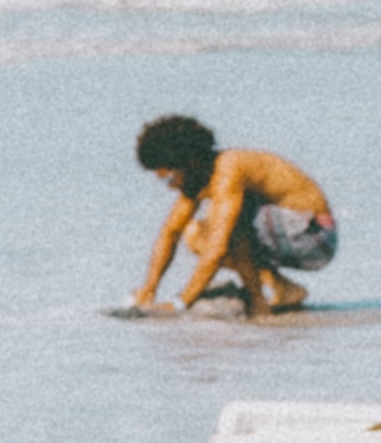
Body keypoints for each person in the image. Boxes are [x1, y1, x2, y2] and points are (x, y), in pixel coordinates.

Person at [129, 113, 338, 313]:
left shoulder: (229, 169)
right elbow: (171, 232)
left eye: (169, 178)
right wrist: (149, 289)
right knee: (195, 234)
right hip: (288, 234)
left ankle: (258, 304)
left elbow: (217, 248)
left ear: (189, 163)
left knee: (226, 226)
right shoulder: (199, 176)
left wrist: (180, 303)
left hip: (315, 237)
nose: (170, 187)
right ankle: (285, 289)